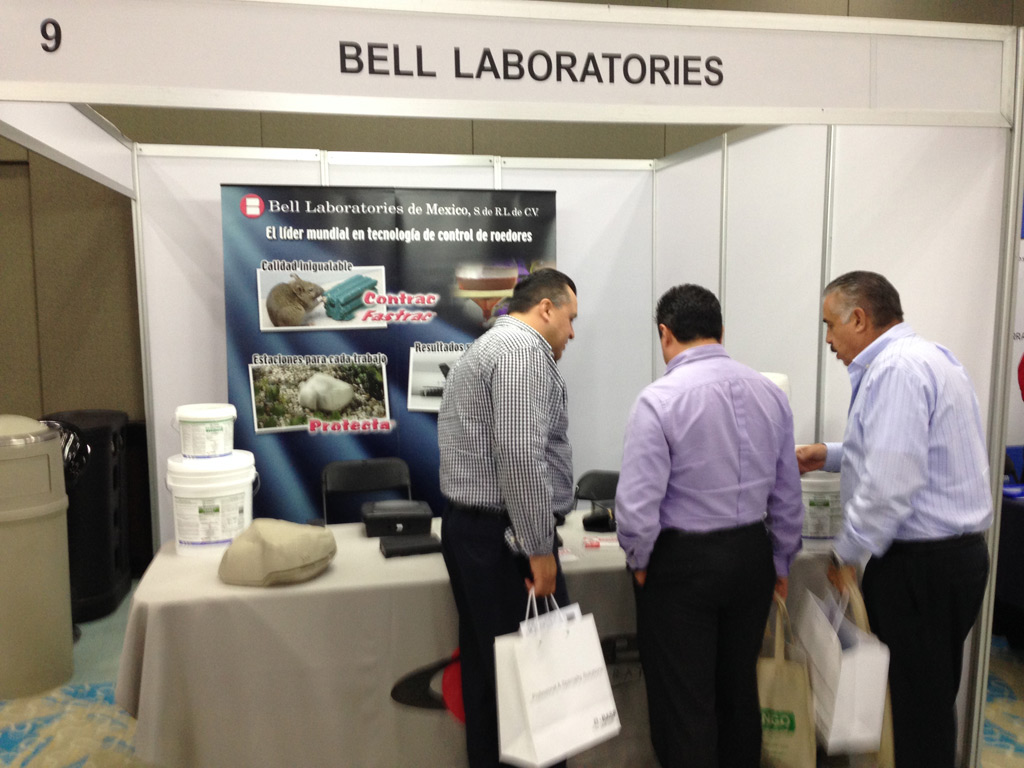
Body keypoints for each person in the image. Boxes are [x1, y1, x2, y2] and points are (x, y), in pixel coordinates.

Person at [797, 270, 992, 768]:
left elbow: (890, 483)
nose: (828, 340)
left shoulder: (895, 371)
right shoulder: (931, 358)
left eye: (830, 324)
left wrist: (845, 553)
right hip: (952, 559)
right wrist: (830, 455)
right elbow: (902, 451)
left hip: (920, 567)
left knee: (914, 712)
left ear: (859, 319)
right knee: (927, 698)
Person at [614, 283, 804, 768]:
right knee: (738, 691)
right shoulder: (770, 394)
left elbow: (637, 504)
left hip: (682, 565)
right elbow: (787, 492)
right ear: (721, 331)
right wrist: (781, 558)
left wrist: (639, 559)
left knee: (685, 704)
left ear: (665, 334)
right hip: (751, 557)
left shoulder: (658, 401)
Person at [437, 267, 578, 768]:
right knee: (534, 685)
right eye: (571, 318)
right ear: (546, 308)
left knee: (489, 677)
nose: (572, 333)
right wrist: (539, 548)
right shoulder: (521, 352)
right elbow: (520, 455)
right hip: (505, 539)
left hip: (476, 530)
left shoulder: (487, 347)